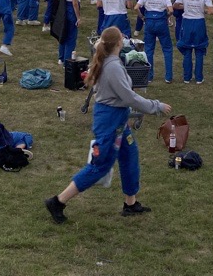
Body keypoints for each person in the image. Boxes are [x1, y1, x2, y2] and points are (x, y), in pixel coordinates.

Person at [44, 27, 171, 225]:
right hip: (109, 122)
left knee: (129, 155)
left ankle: (130, 203)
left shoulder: (110, 60)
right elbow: (129, 97)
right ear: (119, 43)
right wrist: (156, 106)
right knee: (100, 166)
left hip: (118, 119)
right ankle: (58, 201)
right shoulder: (112, 67)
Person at [174, 0, 213, 84]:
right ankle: (199, 78)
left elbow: (175, 5)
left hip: (187, 22)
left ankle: (187, 77)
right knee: (199, 50)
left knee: (187, 50)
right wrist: (204, 10)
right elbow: (211, 11)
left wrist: (185, 6)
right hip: (199, 23)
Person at [136, 0, 173, 83]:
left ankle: (149, 76)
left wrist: (142, 17)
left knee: (149, 49)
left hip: (149, 21)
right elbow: (171, 10)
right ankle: (168, 76)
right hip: (161, 21)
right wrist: (167, 16)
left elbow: (136, 7)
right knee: (167, 49)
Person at [50, 0, 82, 66]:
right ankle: (67, 60)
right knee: (71, 38)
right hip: (70, 11)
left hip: (61, 11)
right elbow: (74, 3)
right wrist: (78, 17)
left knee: (62, 34)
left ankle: (61, 58)